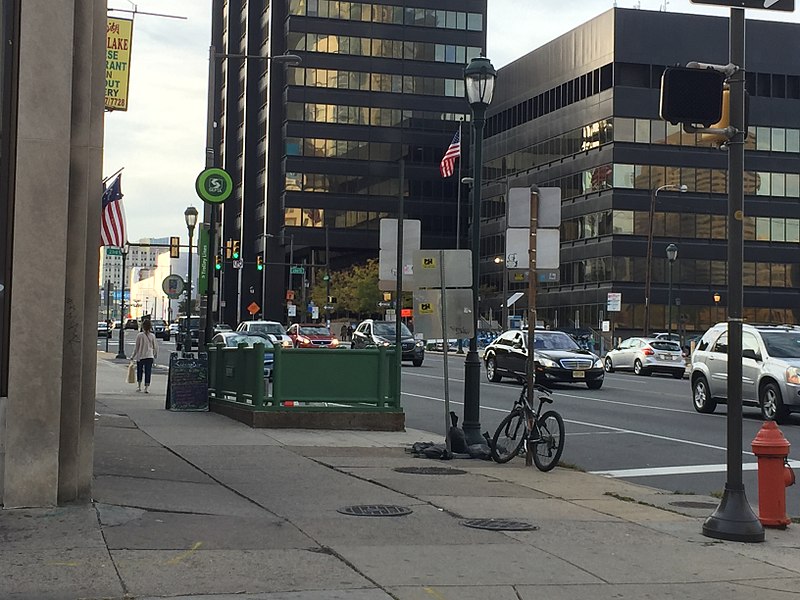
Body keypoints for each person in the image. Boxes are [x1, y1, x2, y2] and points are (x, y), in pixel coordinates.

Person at [131, 319, 158, 393]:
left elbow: (136, 347)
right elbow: (155, 346)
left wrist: (133, 356)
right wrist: (155, 354)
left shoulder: (139, 335)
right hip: (149, 356)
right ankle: (146, 387)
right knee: (148, 372)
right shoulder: (152, 336)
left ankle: (139, 386)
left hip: (140, 356)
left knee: (139, 371)